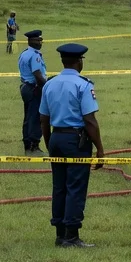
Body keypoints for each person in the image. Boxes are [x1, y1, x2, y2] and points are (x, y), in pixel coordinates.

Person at [38, 43, 104, 247]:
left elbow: (43, 118)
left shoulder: (50, 84)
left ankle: (60, 234)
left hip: (56, 137)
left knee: (59, 186)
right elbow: (90, 120)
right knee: (75, 186)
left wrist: (49, 142)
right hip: (75, 140)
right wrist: (100, 149)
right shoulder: (83, 85)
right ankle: (72, 236)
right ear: (79, 62)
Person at [17, 30, 47, 153]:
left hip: (25, 88)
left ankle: (27, 145)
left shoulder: (24, 53)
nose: (40, 42)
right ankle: (34, 146)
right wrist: (46, 86)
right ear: (31, 41)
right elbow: (38, 75)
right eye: (38, 40)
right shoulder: (35, 55)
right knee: (36, 117)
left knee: (28, 117)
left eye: (41, 40)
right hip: (35, 88)